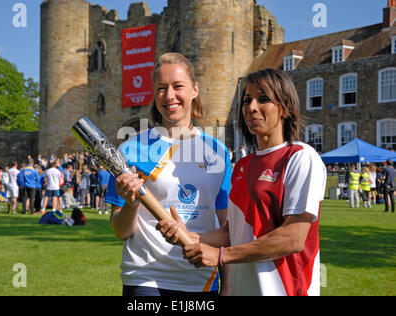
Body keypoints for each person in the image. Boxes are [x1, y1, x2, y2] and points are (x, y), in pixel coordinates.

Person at [158, 68, 326, 296]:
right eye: (247, 101)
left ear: (285, 107)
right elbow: (233, 233)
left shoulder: (300, 157)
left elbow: (293, 237)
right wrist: (189, 236)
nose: (251, 107)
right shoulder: (243, 166)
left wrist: (221, 256)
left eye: (263, 99)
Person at [105, 52, 232, 296]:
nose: (169, 96)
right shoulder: (130, 150)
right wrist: (131, 205)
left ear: (195, 89)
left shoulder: (219, 152)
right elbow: (120, 231)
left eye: (178, 86)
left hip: (201, 278)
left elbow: (227, 231)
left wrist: (194, 238)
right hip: (145, 277)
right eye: (161, 88)